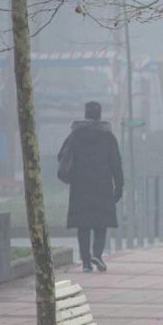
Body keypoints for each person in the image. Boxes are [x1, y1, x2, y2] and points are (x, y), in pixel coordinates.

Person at [56, 101, 123, 273]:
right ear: (100, 115)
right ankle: (97, 255)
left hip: (80, 186)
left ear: (85, 114)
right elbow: (116, 162)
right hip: (102, 185)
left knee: (83, 225)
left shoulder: (75, 135)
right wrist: (119, 185)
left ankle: (85, 262)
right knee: (101, 223)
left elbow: (61, 156)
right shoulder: (108, 137)